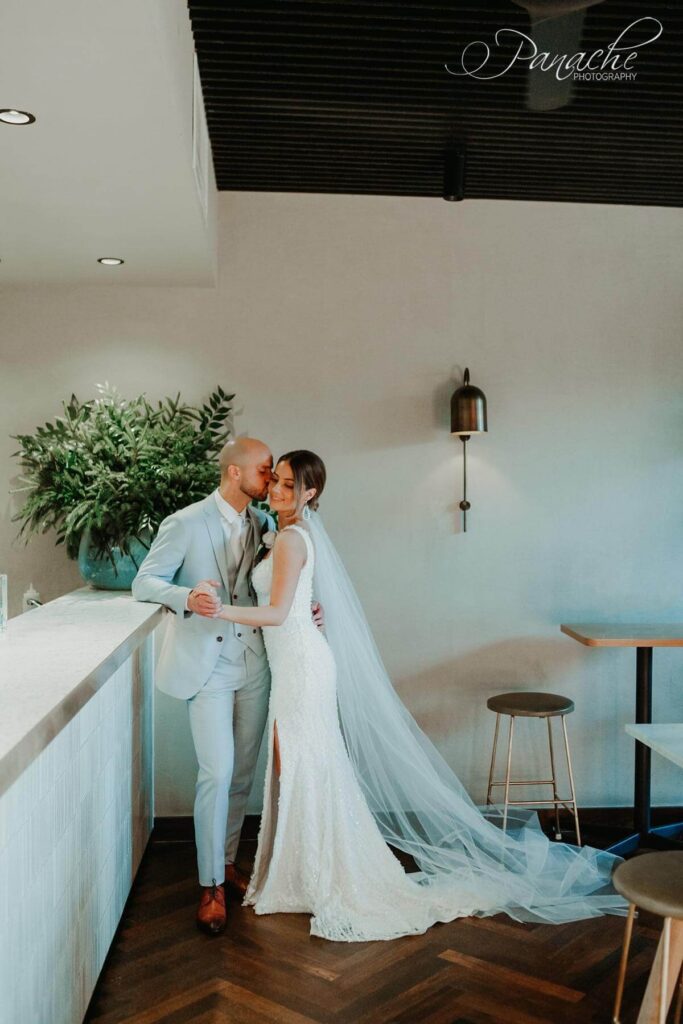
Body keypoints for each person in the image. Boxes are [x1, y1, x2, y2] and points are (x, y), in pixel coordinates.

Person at [197, 449, 626, 942]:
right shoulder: (285, 536)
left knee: (301, 763)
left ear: (309, 493)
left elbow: (275, 615)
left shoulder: (293, 538)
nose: (276, 489)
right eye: (275, 480)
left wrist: (219, 611)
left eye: (288, 485)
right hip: (293, 662)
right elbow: (295, 604)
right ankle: (302, 868)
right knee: (297, 764)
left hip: (303, 666)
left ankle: (320, 873)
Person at [131, 437, 322, 935]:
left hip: (255, 664)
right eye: (264, 470)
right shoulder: (185, 522)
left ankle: (231, 863)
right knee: (215, 773)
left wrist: (305, 610)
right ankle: (210, 884)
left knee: (240, 774)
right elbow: (144, 582)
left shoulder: (264, 524)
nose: (271, 478)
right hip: (207, 668)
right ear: (236, 474)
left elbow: (278, 586)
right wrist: (187, 596)